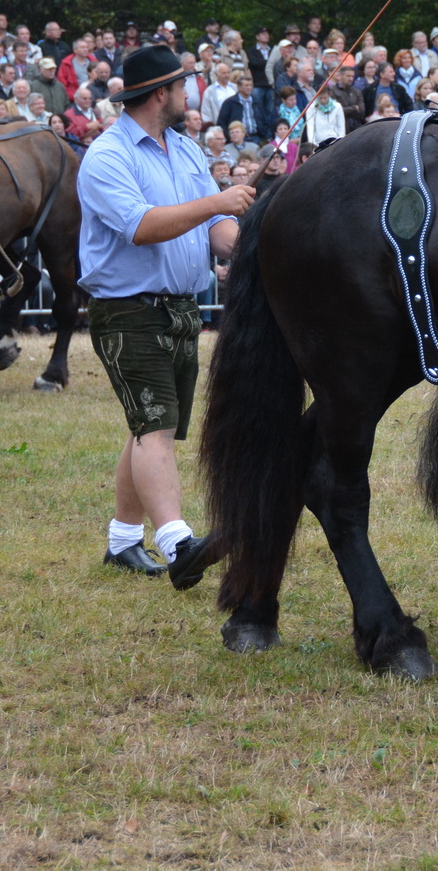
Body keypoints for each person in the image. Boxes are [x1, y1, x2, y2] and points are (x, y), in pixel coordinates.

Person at [76, 44, 253, 582]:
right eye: (182, 87)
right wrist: (218, 202)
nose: (188, 95)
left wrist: (253, 244)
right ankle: (178, 544)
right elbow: (142, 225)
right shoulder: (107, 156)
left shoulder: (185, 150)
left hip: (179, 308)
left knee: (151, 423)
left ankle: (124, 540)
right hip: (127, 311)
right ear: (161, 93)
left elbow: (218, 234)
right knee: (153, 425)